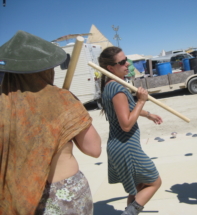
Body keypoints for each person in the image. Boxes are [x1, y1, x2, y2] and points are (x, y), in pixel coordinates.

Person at [0, 30, 102, 214]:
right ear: (45, 69)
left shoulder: (4, 105)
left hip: (22, 198)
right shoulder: (61, 99)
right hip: (64, 195)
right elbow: (94, 149)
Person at [98, 46, 162, 215]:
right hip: (127, 147)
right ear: (110, 68)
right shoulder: (117, 89)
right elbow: (126, 124)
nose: (127, 64)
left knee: (138, 188)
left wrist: (148, 114)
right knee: (154, 182)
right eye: (122, 62)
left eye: (127, 60)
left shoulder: (110, 86)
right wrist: (141, 101)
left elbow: (126, 110)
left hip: (119, 146)